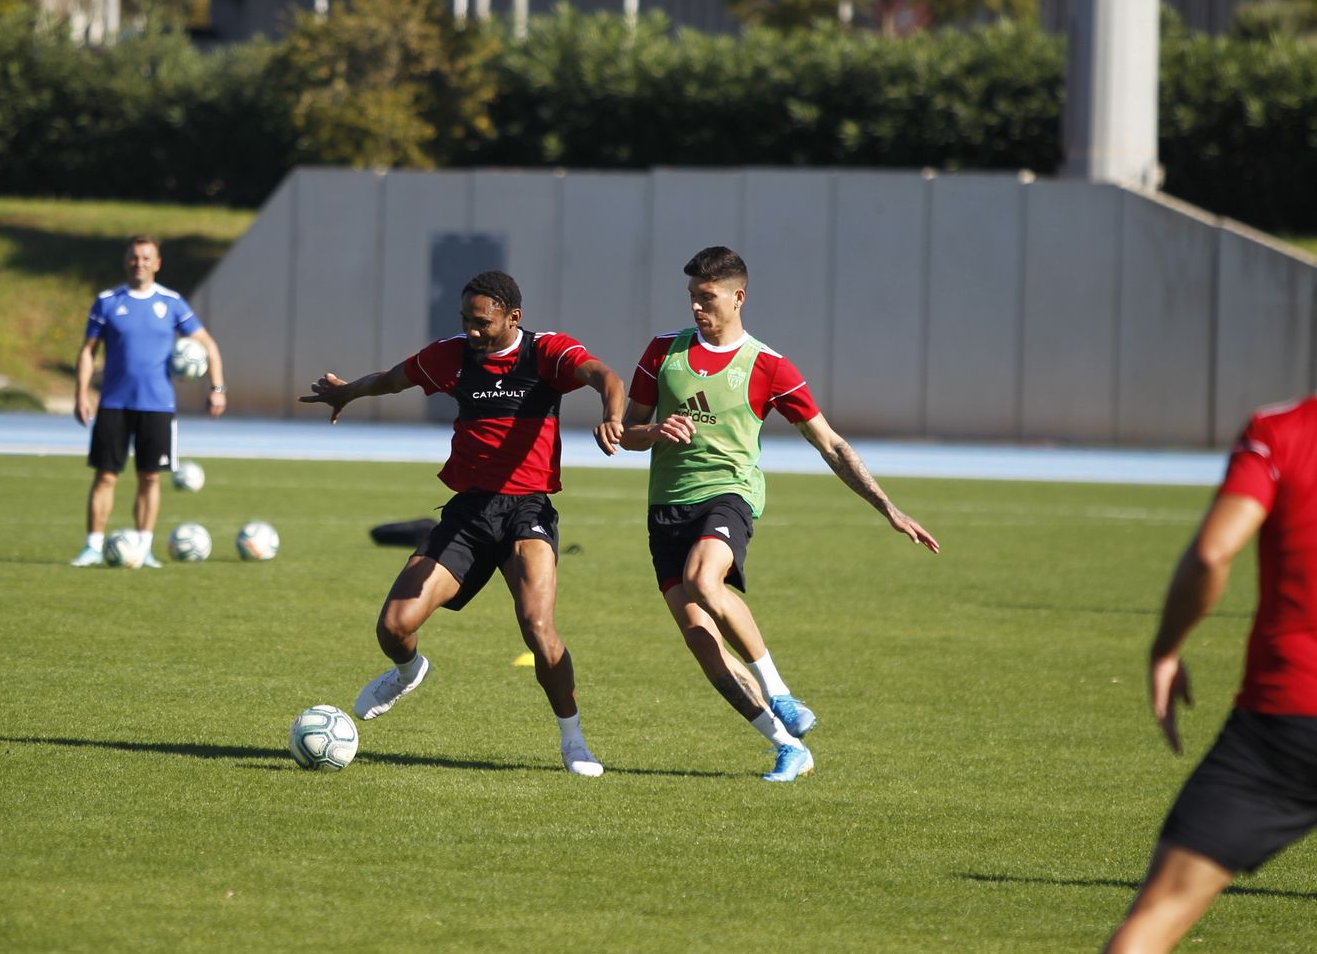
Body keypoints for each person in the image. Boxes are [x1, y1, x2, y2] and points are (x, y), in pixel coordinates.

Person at [619, 246, 939, 782]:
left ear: (738, 297)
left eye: (707, 297)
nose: (696, 306)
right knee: (701, 640)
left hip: (728, 496)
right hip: (665, 507)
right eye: (691, 296)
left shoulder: (768, 366)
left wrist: (887, 506)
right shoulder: (663, 351)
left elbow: (829, 444)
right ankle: (788, 746)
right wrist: (652, 431)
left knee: (703, 579)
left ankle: (780, 692)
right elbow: (627, 433)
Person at [299, 270, 624, 777]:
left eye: (482, 323)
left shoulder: (545, 352)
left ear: (513, 317)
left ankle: (574, 741)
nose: (471, 331)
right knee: (393, 627)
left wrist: (612, 414)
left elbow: (606, 377)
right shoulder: (451, 355)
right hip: (470, 513)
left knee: (538, 627)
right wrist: (348, 393)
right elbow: (390, 380)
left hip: (528, 510)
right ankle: (407, 672)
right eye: (465, 321)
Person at [1098, 395, 1317, 954]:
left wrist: (1166, 649)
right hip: (1283, 718)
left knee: (1155, 919)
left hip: (1285, 722)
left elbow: (1212, 555)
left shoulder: (1282, 431)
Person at [70, 235, 226, 567]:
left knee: (150, 477)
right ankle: (93, 546)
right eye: (134, 257)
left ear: (157, 264)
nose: (138, 263)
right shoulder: (107, 302)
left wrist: (217, 387)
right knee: (106, 475)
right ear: (126, 261)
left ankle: (143, 548)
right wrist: (81, 394)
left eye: (145, 258)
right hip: (114, 403)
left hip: (157, 405)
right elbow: (87, 352)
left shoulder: (172, 303)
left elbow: (208, 345)